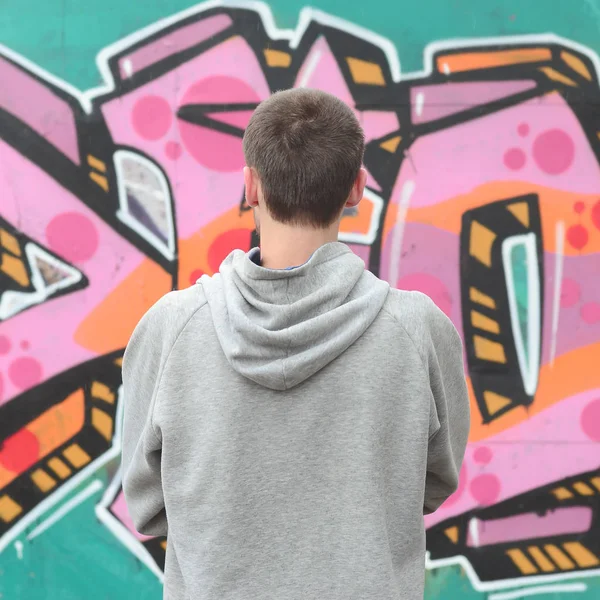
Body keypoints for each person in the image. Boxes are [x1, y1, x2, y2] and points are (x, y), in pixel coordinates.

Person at [121, 88, 470, 600]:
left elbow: (149, 503)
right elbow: (431, 482)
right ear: (356, 189)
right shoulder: (417, 330)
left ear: (251, 187)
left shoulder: (171, 327)